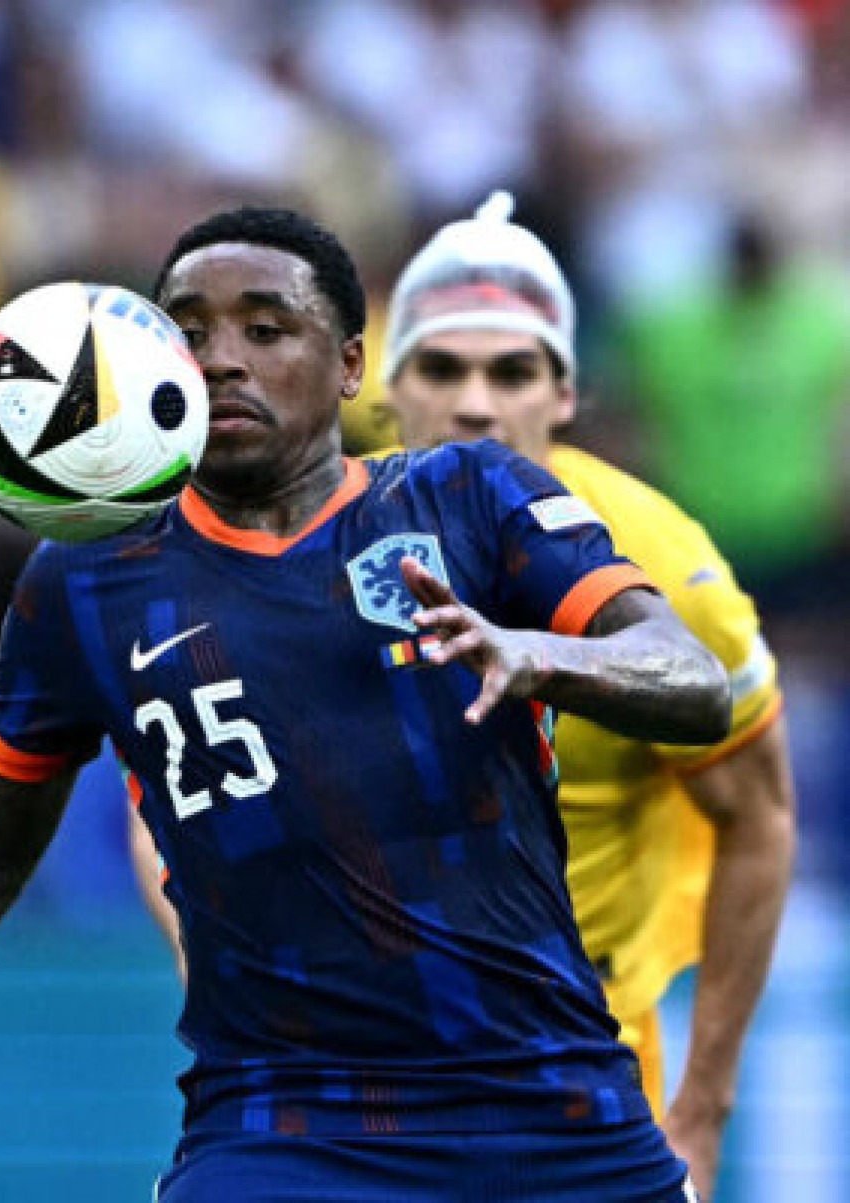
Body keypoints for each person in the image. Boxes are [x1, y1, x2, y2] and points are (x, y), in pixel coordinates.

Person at [0, 205, 731, 1199]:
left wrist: (544, 657)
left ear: (353, 365)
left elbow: (692, 683)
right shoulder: (87, 584)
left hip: (554, 1112)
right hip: (284, 1128)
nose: (223, 356)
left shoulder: (469, 498)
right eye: (188, 333)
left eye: (268, 328)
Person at [129, 192, 796, 1200]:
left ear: (565, 392)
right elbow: (171, 797)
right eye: (444, 367)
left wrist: (701, 1113)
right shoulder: (291, 546)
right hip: (348, 1087)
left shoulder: (662, 567)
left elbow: (762, 818)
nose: (477, 401)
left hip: (579, 1077)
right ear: (383, 387)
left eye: (513, 369)